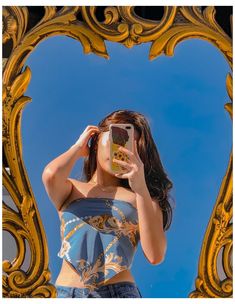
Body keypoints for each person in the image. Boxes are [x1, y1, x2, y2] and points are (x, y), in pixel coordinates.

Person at [42, 109, 174, 298]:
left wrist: (141, 189)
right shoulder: (71, 189)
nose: (121, 149)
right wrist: (78, 148)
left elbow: (155, 255)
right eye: (116, 138)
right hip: (66, 293)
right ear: (95, 140)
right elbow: (51, 175)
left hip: (119, 292)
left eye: (130, 145)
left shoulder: (142, 198)